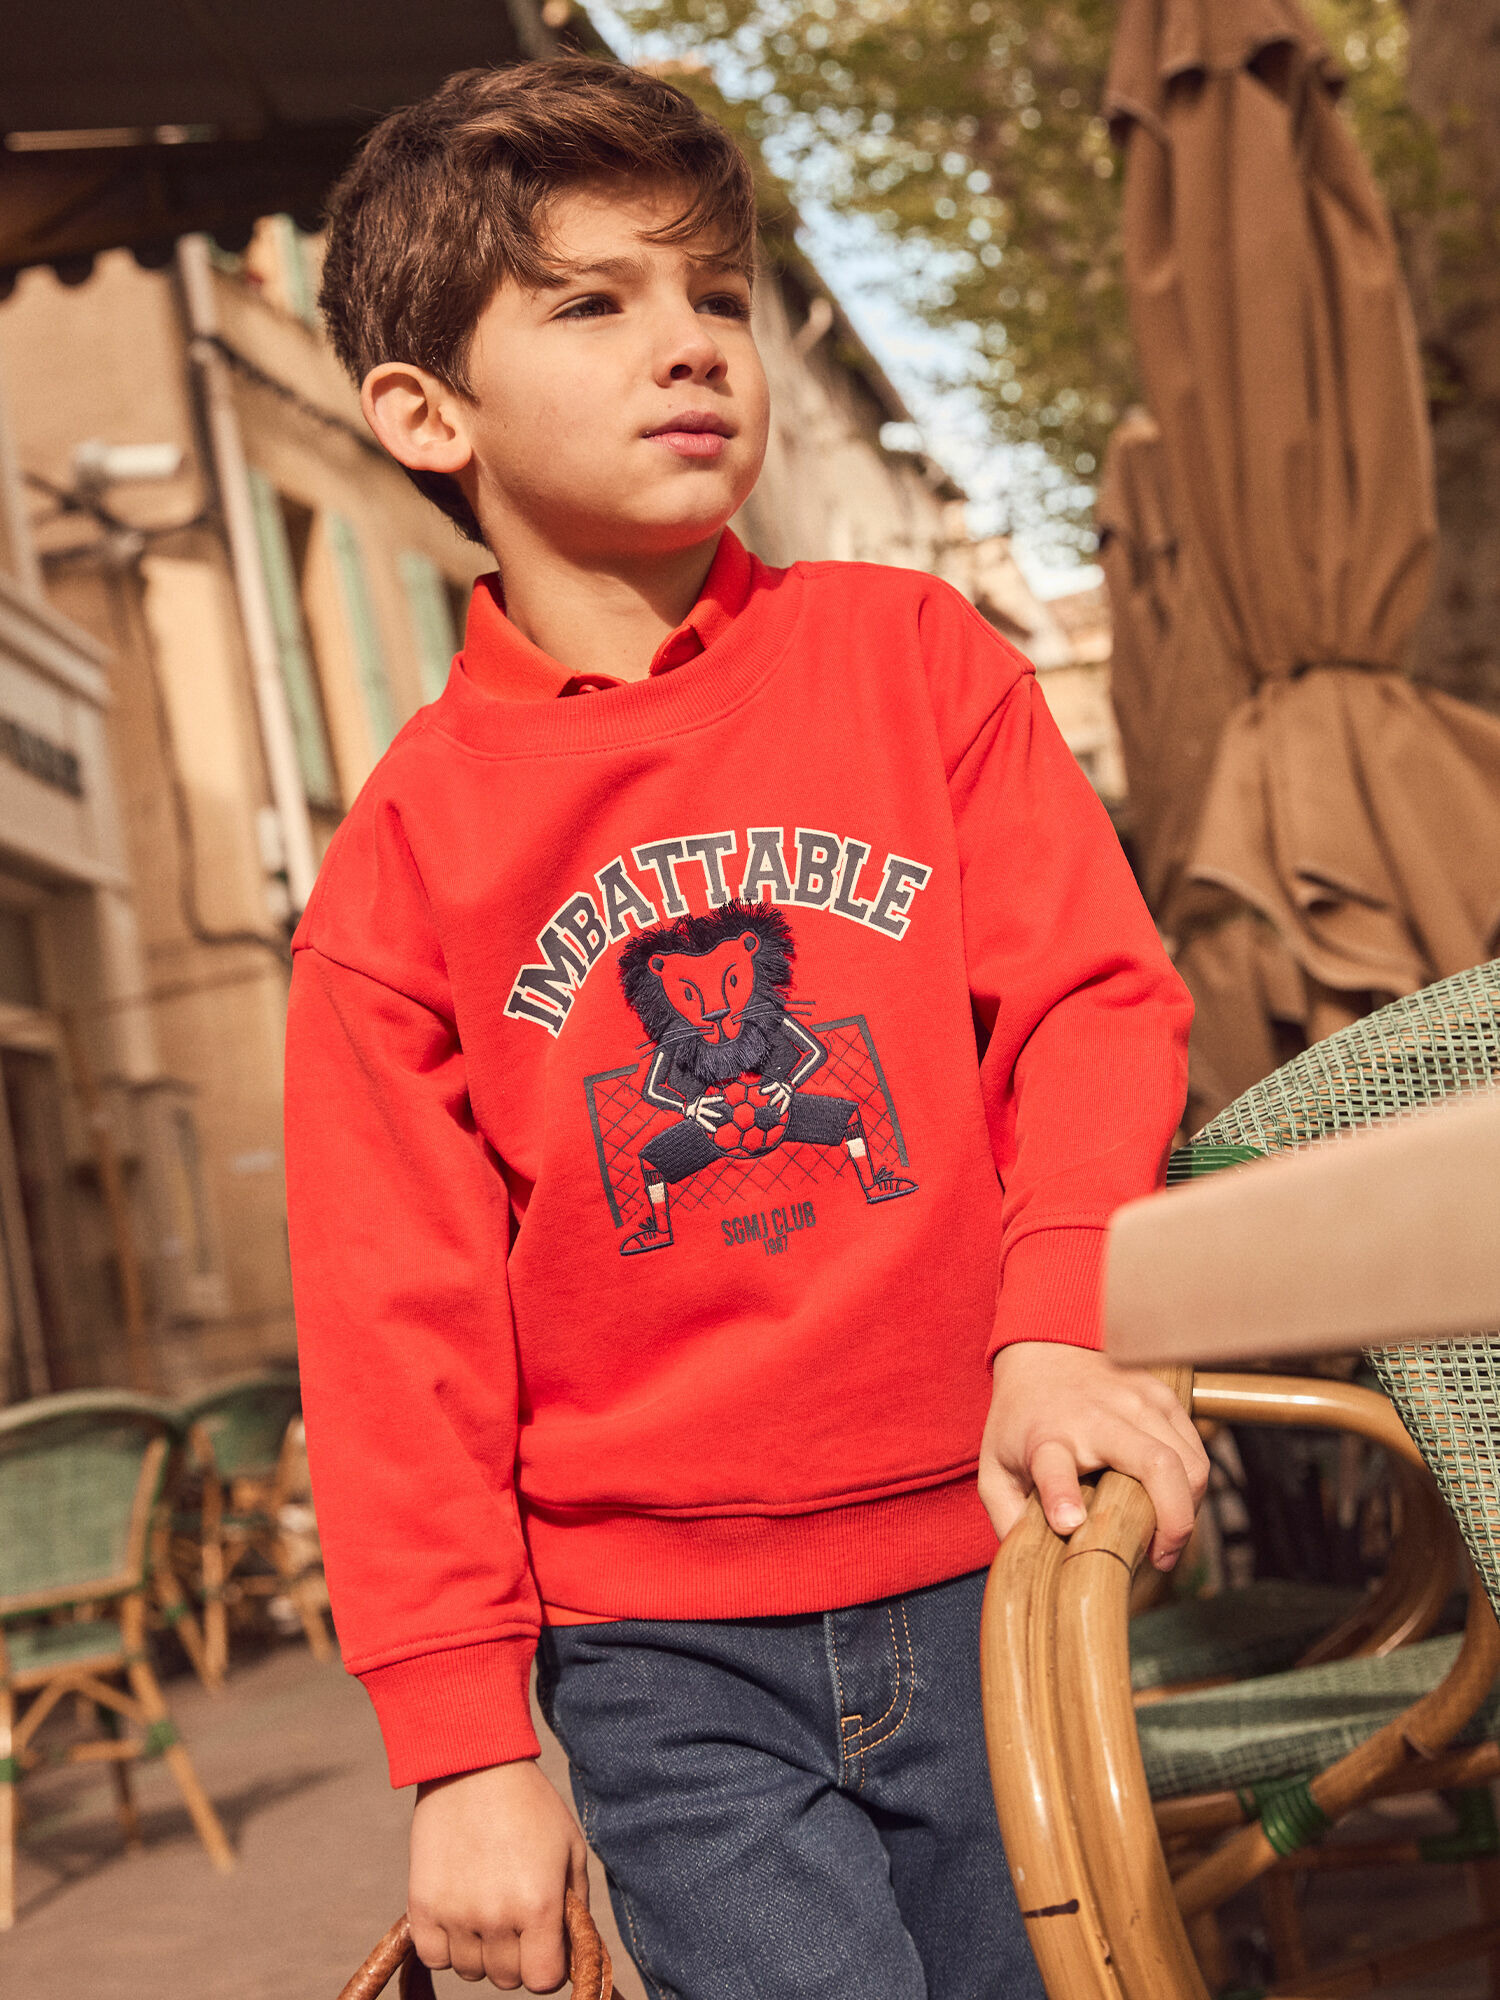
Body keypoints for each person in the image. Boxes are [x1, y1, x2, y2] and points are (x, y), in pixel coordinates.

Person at [286, 54, 1207, 1999]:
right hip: (658, 1661)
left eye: (716, 291)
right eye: (593, 301)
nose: (692, 340)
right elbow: (391, 1321)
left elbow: (1090, 1002)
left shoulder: (917, 661)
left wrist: (1059, 1324)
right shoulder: (401, 860)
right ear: (425, 411)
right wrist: (463, 1746)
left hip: (1001, 1551)